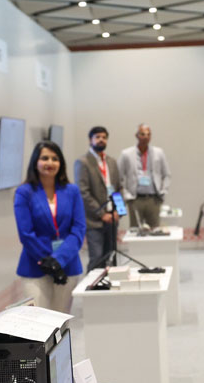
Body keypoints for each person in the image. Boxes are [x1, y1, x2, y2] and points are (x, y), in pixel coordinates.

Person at [14, 141, 85, 312]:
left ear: (61, 163)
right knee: (39, 321)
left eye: (55, 159)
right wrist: (48, 261)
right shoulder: (24, 192)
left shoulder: (72, 191)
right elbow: (26, 233)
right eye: (45, 158)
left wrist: (58, 260)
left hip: (67, 265)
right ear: (35, 162)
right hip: (34, 267)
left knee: (61, 320)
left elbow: (78, 229)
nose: (50, 163)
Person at [74, 125, 121, 271]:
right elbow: (83, 192)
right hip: (94, 221)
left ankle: (109, 284)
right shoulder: (83, 162)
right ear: (90, 140)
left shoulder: (112, 161)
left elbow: (119, 188)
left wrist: (118, 211)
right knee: (97, 258)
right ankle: (92, 284)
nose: (101, 140)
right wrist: (102, 214)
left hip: (112, 218)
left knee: (111, 257)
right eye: (97, 137)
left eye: (104, 137)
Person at [118, 122, 170, 229]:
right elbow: (118, 178)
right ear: (136, 135)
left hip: (153, 199)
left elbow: (167, 175)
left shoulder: (159, 152)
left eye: (148, 134)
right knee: (136, 230)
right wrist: (127, 195)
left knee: (155, 230)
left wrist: (163, 191)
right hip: (135, 199)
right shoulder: (126, 154)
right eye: (142, 134)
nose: (146, 137)